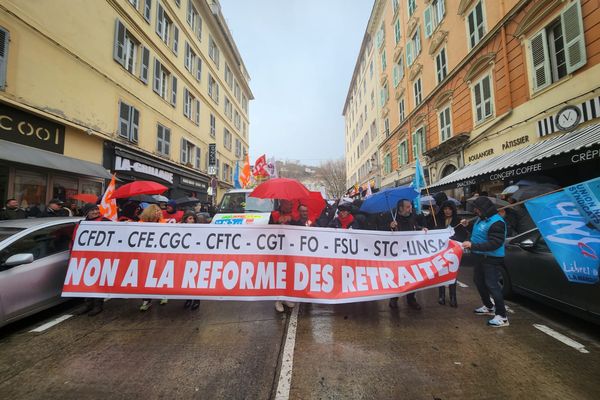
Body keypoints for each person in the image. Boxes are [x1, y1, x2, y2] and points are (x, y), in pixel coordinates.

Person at [461, 196, 509, 327]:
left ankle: (502, 316)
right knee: (479, 282)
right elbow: (479, 233)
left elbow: (495, 243)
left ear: (484, 208)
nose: (475, 211)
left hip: (491, 258)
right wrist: (468, 225)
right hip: (479, 257)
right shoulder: (481, 219)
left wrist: (472, 246)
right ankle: (488, 306)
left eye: (477, 208)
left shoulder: (497, 222)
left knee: (492, 285)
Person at [386, 199, 424, 311]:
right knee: (397, 276)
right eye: (407, 207)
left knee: (412, 276)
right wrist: (391, 227)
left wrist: (422, 229)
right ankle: (394, 298)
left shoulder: (412, 218)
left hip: (411, 254)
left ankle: (411, 299)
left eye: (410, 206)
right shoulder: (393, 218)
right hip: (397, 255)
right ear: (401, 208)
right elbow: (383, 234)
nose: (410, 208)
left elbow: (416, 228)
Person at [78, 203, 111, 316]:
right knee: (86, 281)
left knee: (97, 281)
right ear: (87, 212)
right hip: (85, 257)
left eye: (96, 209)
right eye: (92, 210)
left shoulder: (106, 221)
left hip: (100, 257)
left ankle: (98, 305)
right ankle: (88, 304)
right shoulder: (82, 223)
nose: (95, 212)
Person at [435, 201, 468, 307]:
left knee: (452, 273)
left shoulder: (459, 220)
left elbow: (463, 235)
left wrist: (452, 238)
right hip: (440, 251)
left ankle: (453, 297)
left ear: (453, 209)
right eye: (445, 209)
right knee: (441, 272)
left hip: (453, 251)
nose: (447, 211)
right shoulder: (438, 220)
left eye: (449, 209)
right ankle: (442, 296)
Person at [139, 204, 168, 310]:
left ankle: (163, 295)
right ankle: (146, 300)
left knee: (160, 274)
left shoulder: (163, 223)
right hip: (146, 256)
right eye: (156, 211)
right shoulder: (141, 224)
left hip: (159, 255)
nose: (159, 212)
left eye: (159, 210)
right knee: (146, 277)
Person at [270, 199, 296, 313]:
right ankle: (278, 299)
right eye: (289, 204)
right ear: (283, 204)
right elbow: (268, 230)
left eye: (292, 204)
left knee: (289, 273)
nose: (291, 205)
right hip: (278, 249)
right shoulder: (274, 214)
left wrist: (292, 221)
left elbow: (300, 227)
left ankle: (286, 297)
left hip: (291, 249)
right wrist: (277, 223)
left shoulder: (294, 215)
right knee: (279, 273)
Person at [180, 212, 201, 310]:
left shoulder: (200, 230)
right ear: (185, 220)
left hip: (195, 258)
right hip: (185, 258)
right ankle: (188, 299)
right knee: (186, 279)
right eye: (190, 219)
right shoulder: (180, 229)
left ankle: (196, 299)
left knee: (195, 280)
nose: (192, 221)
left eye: (193, 219)